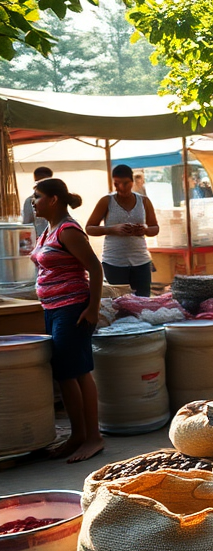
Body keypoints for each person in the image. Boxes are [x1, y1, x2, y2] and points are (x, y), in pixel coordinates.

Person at [29, 178, 104, 463]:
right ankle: (78, 435)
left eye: (37, 196)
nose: (33, 201)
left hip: (73, 309)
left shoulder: (69, 230)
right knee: (69, 372)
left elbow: (95, 269)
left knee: (75, 372)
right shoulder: (48, 229)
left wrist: (93, 309)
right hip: (54, 309)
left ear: (53, 200)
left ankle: (92, 437)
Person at [88, 164, 158, 298]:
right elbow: (90, 228)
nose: (121, 187)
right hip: (114, 261)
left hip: (140, 260)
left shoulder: (143, 201)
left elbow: (154, 228)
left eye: (125, 183)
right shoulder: (106, 201)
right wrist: (112, 229)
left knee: (142, 300)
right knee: (118, 301)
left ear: (132, 182)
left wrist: (144, 230)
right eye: (117, 184)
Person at [22, 166, 54, 240]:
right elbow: (27, 225)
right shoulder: (29, 201)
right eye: (39, 182)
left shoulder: (55, 199)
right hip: (38, 241)